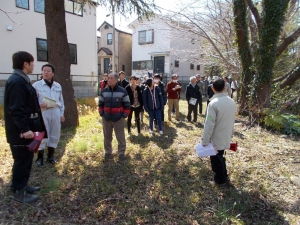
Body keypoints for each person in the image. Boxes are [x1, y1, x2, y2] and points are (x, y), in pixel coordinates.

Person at [4, 51, 47, 203]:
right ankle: (18, 191)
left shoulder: (22, 80)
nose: (33, 65)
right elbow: (16, 109)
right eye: (32, 63)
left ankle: (22, 184)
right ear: (25, 64)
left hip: (27, 130)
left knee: (26, 160)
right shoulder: (16, 81)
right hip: (20, 133)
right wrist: (25, 129)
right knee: (21, 160)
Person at [201, 78, 236, 185]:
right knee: (220, 155)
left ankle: (221, 179)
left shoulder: (213, 103)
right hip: (226, 133)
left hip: (216, 135)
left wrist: (205, 140)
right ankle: (224, 175)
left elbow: (209, 123)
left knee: (216, 158)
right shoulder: (231, 101)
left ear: (212, 88)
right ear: (225, 88)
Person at [32, 64, 65, 166]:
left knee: (54, 134)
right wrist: (38, 105)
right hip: (43, 112)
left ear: (53, 73)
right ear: (42, 73)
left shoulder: (57, 86)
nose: (46, 72)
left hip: (55, 111)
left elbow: (61, 101)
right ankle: (39, 158)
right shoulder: (36, 85)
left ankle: (51, 156)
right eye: (44, 70)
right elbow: (32, 101)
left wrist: (61, 114)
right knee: (42, 134)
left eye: (48, 71)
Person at [98, 73, 131, 161]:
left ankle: (121, 153)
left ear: (116, 80)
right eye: (108, 78)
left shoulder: (122, 91)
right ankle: (108, 152)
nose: (109, 80)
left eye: (111, 78)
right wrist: (102, 113)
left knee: (120, 136)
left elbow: (127, 105)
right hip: (106, 117)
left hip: (118, 118)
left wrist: (123, 115)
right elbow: (100, 104)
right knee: (107, 136)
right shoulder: (104, 91)